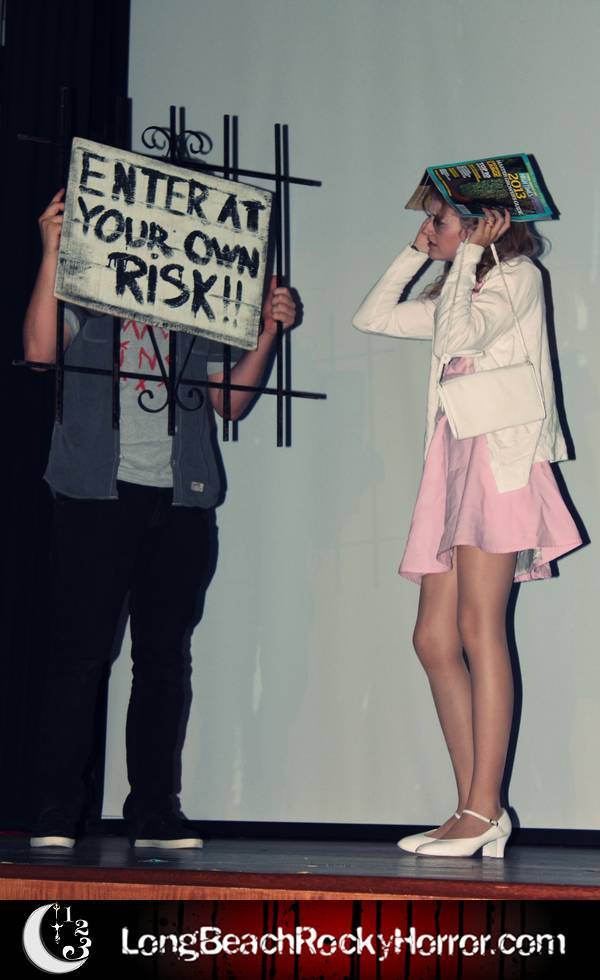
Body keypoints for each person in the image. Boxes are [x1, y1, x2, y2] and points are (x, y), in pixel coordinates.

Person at [24, 189, 298, 849]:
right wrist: (52, 252)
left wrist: (267, 331)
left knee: (163, 660)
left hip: (180, 500)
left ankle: (153, 812)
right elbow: (39, 352)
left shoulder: (200, 298)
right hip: (94, 494)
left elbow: (230, 403)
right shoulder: (92, 284)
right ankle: (57, 811)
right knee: (80, 656)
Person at [352, 189, 583, 858]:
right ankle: (472, 808)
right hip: (453, 463)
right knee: (432, 637)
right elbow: (372, 317)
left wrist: (465, 258)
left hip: (497, 464)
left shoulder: (518, 277)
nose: (429, 228)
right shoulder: (466, 285)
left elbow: (458, 337)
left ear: (481, 226)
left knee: (481, 629)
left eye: (439, 220)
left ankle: (483, 809)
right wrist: (415, 254)